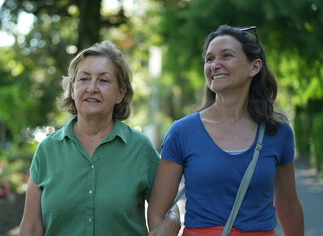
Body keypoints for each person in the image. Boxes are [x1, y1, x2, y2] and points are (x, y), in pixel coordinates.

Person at [148, 25, 304, 236]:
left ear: (254, 67)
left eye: (226, 56)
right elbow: (158, 210)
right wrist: (172, 220)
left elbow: (289, 206)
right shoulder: (183, 131)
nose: (215, 65)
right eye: (209, 59)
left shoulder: (277, 132)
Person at [18, 40, 179, 236]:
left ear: (120, 93)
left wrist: (173, 220)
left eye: (103, 80)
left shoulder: (140, 148)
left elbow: (167, 206)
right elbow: (31, 229)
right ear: (72, 88)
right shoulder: (47, 150)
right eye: (84, 79)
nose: (92, 88)